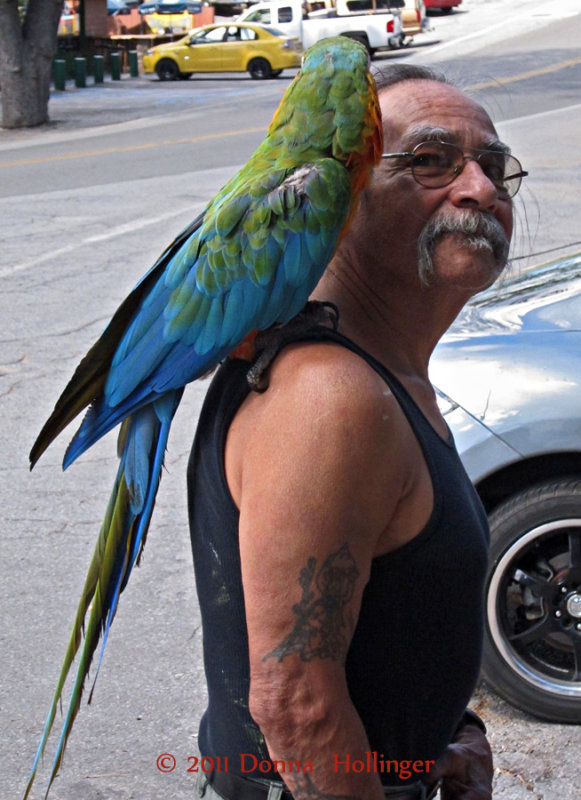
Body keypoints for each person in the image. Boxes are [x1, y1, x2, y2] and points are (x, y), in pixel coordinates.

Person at [187, 63, 526, 800]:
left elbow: (385, 627)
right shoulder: (329, 398)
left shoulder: (382, 373)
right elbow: (297, 710)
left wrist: (438, 733)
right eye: (428, 162)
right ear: (335, 196)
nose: (480, 190)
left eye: (494, 167)